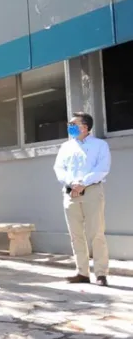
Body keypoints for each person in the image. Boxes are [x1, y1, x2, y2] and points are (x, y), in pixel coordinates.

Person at [52, 112, 111, 287]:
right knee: (76, 235)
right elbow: (58, 168)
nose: (69, 126)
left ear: (85, 126)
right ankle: (82, 272)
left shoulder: (100, 145)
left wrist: (83, 183)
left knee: (97, 234)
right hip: (70, 193)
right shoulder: (65, 147)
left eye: (73, 123)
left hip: (92, 191)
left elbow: (103, 167)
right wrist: (72, 183)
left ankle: (101, 274)